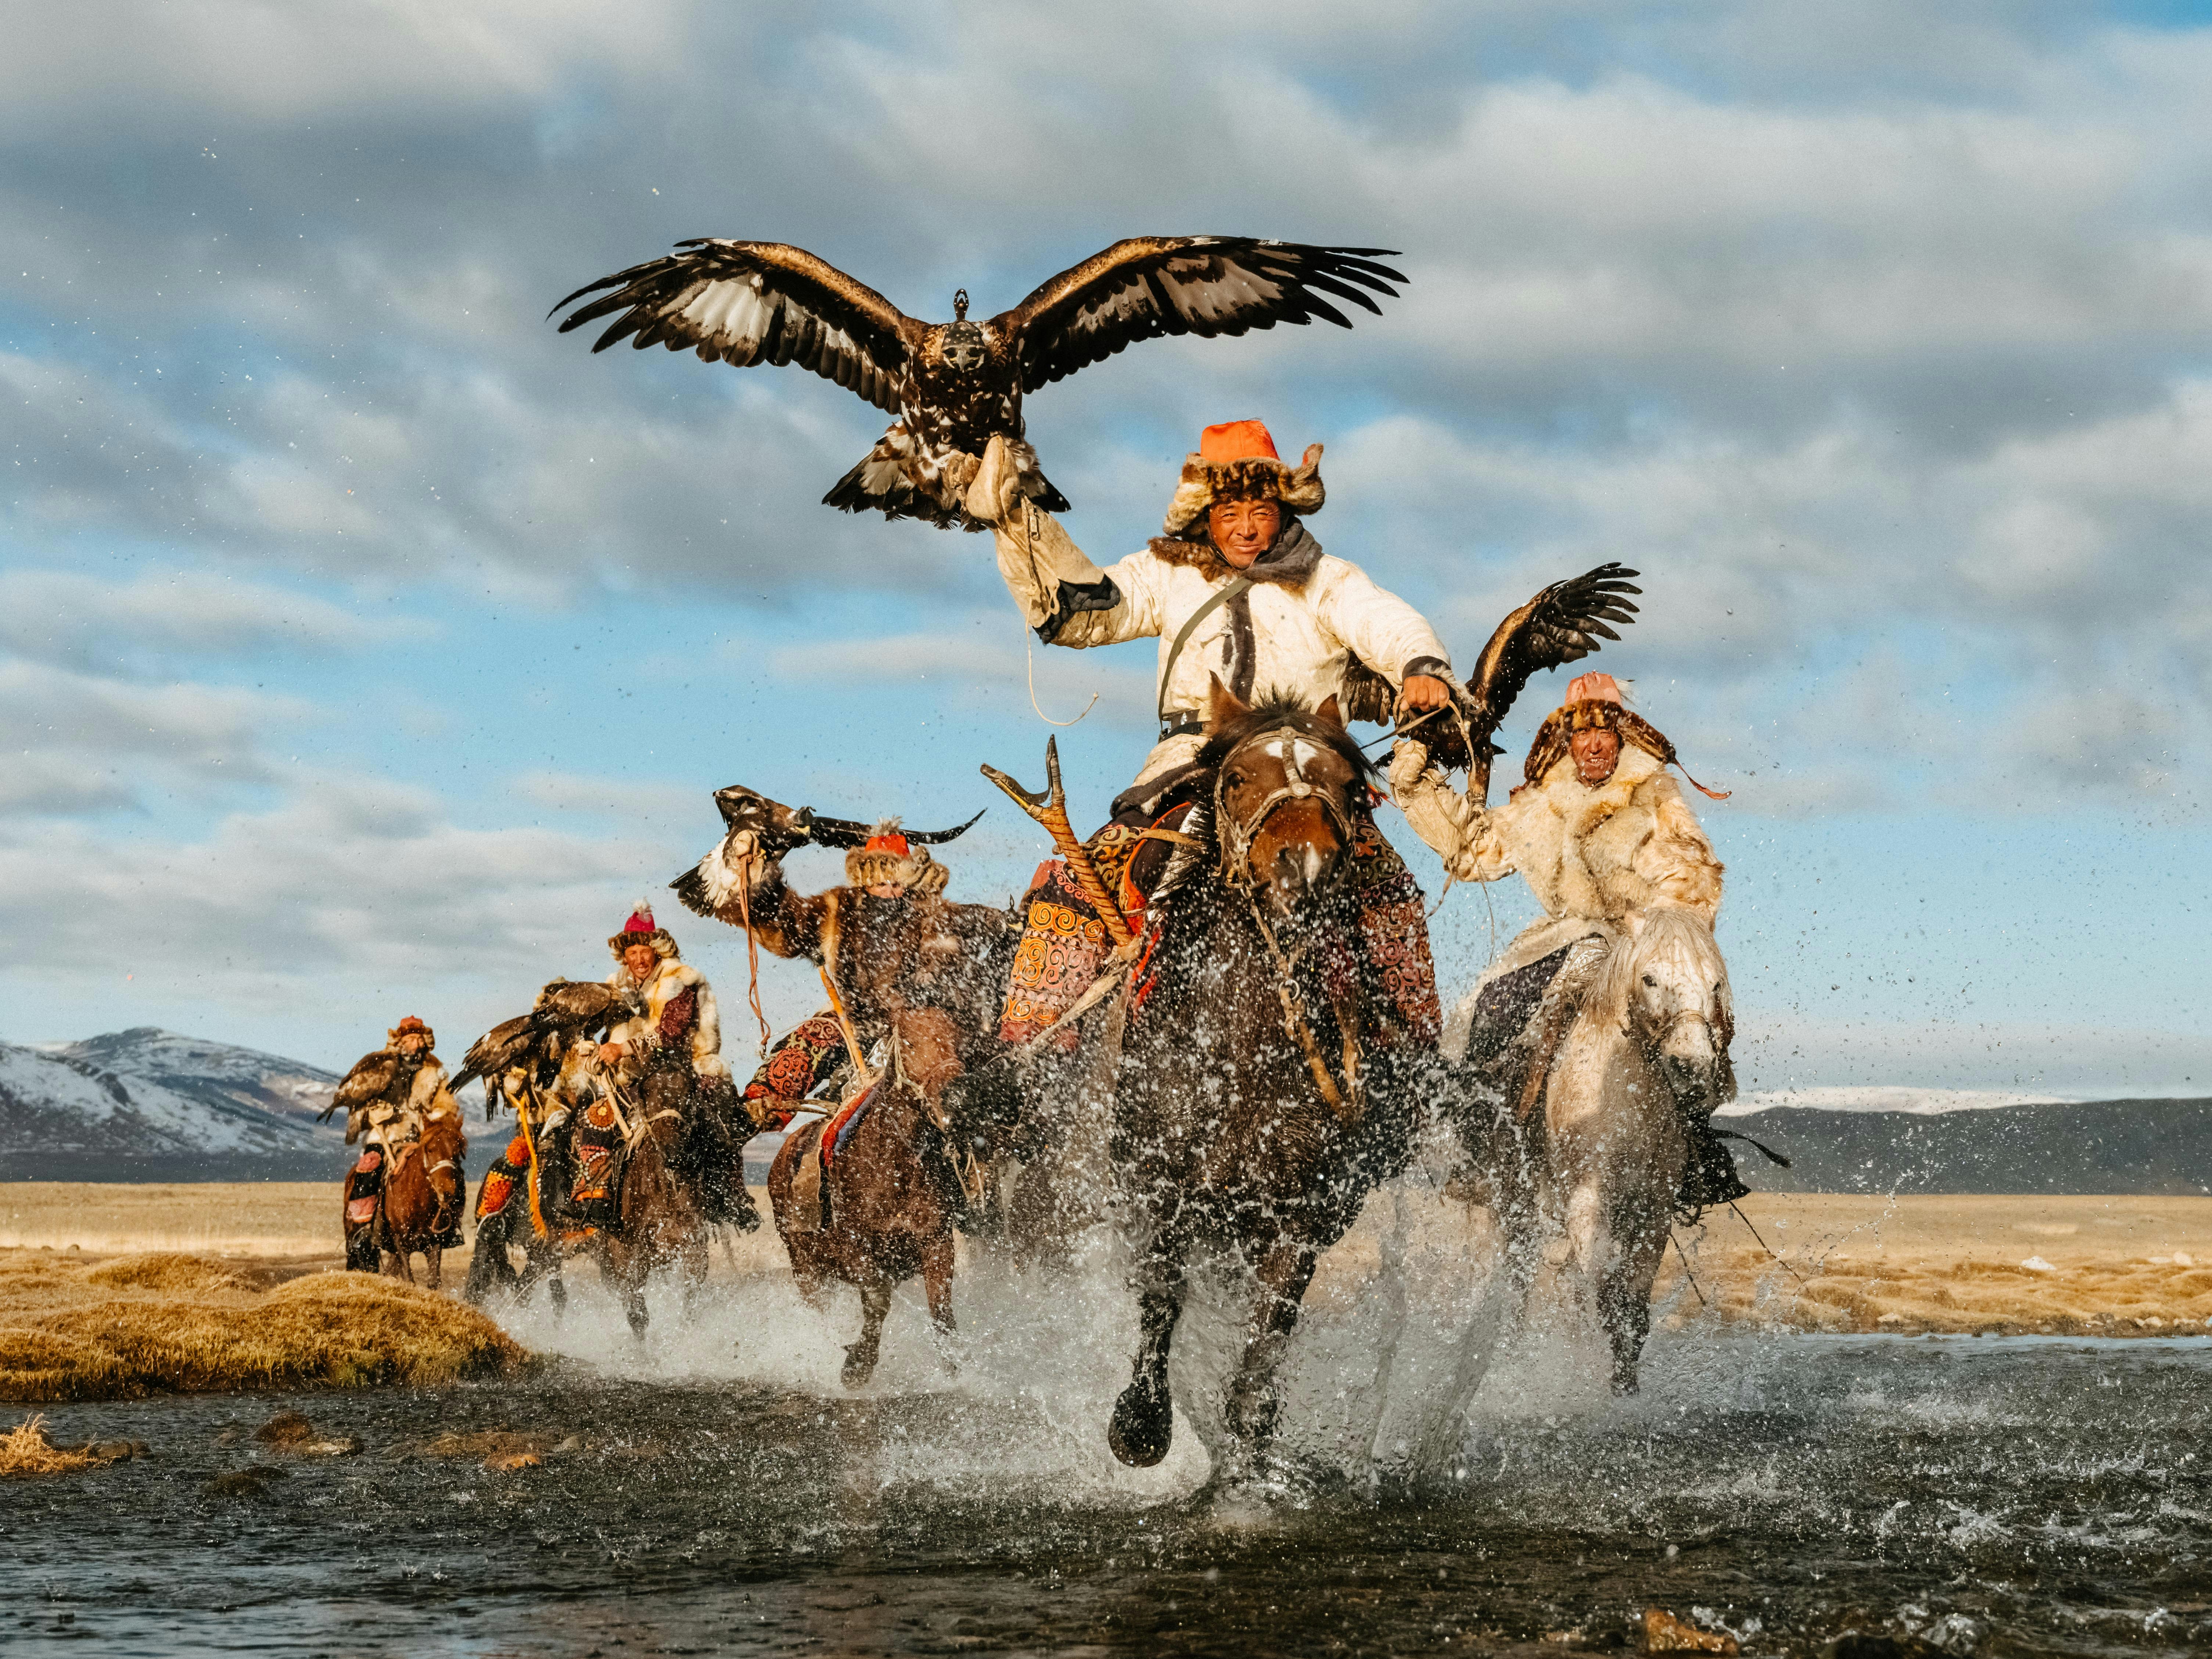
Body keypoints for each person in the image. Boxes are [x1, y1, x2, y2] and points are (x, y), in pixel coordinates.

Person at [962, 419, 1449, 1050]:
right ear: (1207, 515)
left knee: (1385, 885)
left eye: (1261, 511)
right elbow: (1079, 610)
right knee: (1086, 874)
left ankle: (1412, 1059)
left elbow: (1385, 622)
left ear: (1283, 512)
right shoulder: (1167, 573)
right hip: (1191, 760)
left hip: (1304, 764)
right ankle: (1033, 1049)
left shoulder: (1328, 579)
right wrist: (1013, 517)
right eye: (1230, 512)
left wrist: (1420, 665)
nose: (1246, 528)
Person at [1439, 672, 1744, 1205]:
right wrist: (1420, 784)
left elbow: (1694, 878)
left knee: (1694, 1022)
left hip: (1641, 939)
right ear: (1567, 741)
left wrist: (1648, 935)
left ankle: (1694, 1145)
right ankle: (1481, 1143)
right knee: (1487, 1007)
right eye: (1582, 733)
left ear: (1621, 738)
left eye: (1605, 732)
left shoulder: (1654, 796)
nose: (1595, 744)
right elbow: (1473, 856)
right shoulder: (1540, 802)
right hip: (1560, 937)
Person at [535, 904, 754, 1229]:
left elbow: (671, 1033)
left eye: (645, 951)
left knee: (715, 1116)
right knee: (595, 1117)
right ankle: (596, 1195)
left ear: (657, 951)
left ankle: (728, 1195)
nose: (639, 959)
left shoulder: (680, 980)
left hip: (683, 1071)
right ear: (624, 956)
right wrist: (590, 1049)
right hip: (635, 1078)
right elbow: (603, 1034)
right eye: (633, 953)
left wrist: (622, 1049)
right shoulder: (615, 987)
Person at [339, 1015, 465, 1252]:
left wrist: (434, 1118)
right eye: (411, 1040)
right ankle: (363, 1227)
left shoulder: (435, 1073)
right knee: (369, 1166)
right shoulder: (382, 1066)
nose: (416, 1044)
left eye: (419, 1039)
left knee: (450, 1167)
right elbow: (361, 1105)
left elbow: (446, 1105)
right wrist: (373, 1114)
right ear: (400, 1042)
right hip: (385, 1134)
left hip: (421, 1136)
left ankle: (451, 1225)